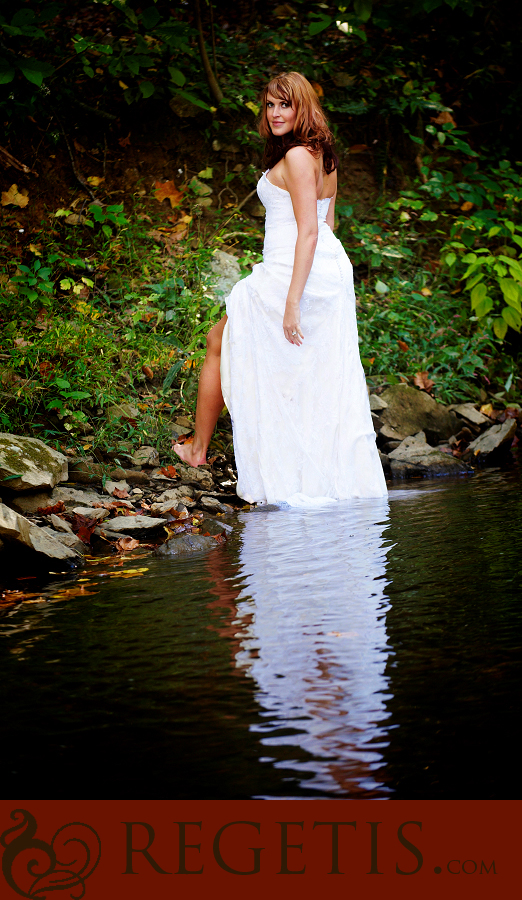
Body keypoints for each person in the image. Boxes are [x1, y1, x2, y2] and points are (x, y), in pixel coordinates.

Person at [173, 72, 387, 506]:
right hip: (323, 267)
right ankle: (306, 466)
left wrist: (293, 299)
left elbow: (309, 230)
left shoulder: (296, 157)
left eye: (283, 105)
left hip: (294, 269)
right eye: (269, 105)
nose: (274, 113)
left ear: (301, 107)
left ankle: (198, 450)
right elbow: (329, 224)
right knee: (307, 369)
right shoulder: (323, 154)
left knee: (221, 339)